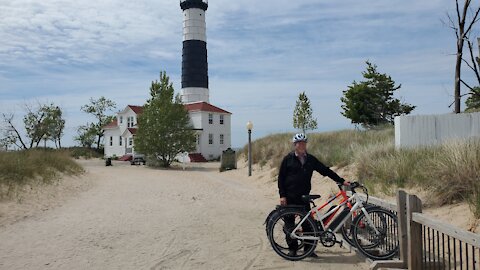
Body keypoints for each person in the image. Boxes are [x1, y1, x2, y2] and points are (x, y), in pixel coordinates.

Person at [278, 133, 350, 258]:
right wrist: (282, 195)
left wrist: (341, 180)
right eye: (299, 143)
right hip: (290, 196)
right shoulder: (288, 159)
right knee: (290, 224)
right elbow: (281, 178)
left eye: (303, 143)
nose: (301, 145)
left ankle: (308, 250)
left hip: (304, 196)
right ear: (295, 145)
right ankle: (292, 249)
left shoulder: (311, 159)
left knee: (308, 224)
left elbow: (325, 170)